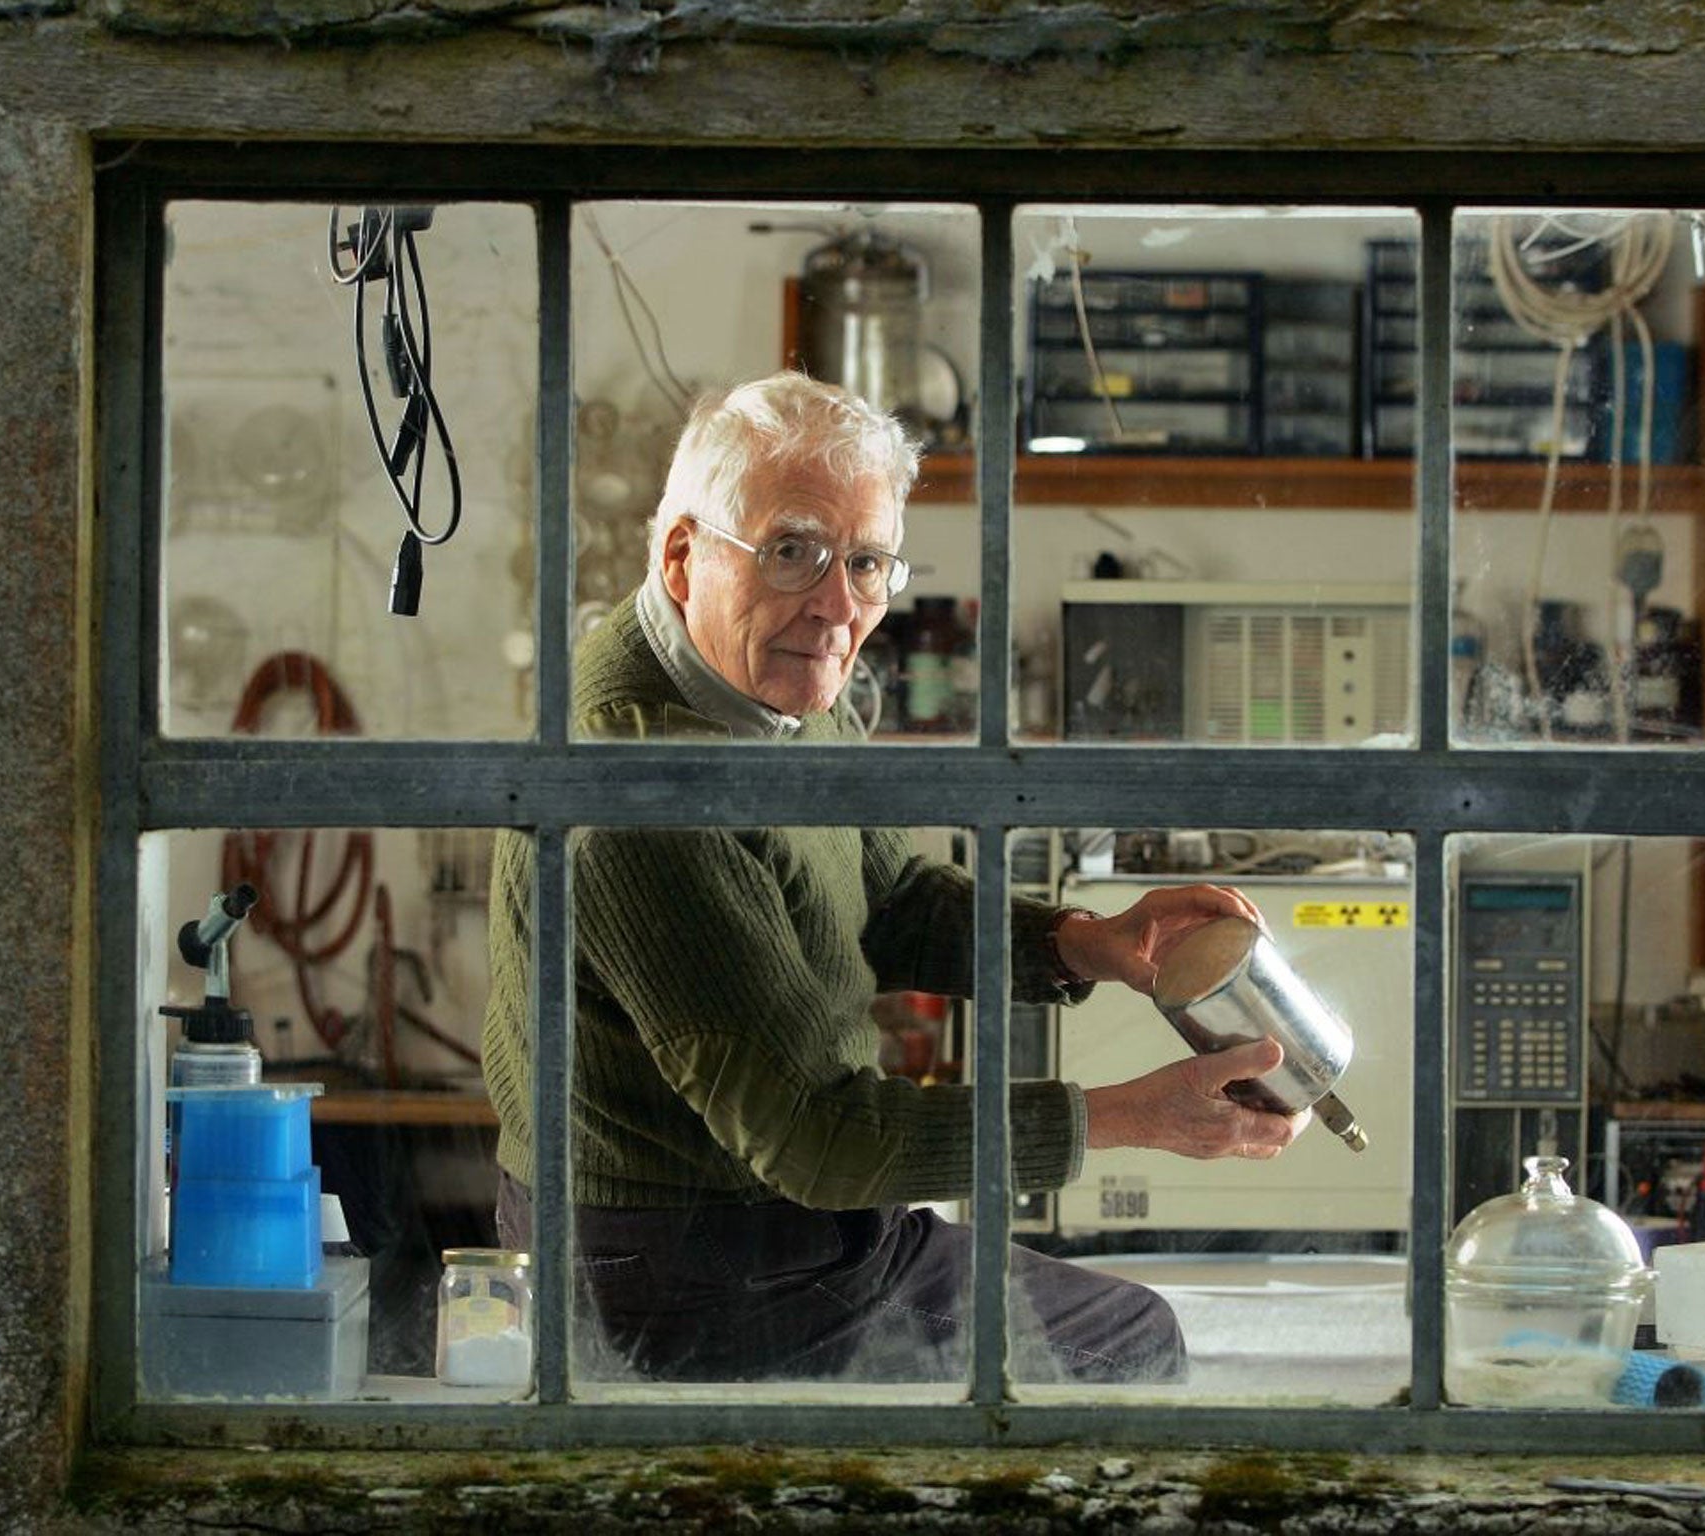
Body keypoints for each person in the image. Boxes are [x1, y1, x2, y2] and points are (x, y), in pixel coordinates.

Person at [481, 371, 1310, 1385]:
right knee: (1128, 1341)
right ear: (684, 555)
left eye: (866, 562)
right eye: (791, 552)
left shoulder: (769, 673)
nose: (836, 606)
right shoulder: (642, 787)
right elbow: (813, 1135)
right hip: (685, 1271)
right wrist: (1131, 1116)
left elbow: (888, 900)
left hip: (765, 1218)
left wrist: (1092, 943)